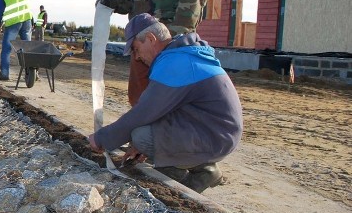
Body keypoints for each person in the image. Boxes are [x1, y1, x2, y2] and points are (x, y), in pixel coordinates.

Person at [87, 14, 242, 193]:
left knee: (142, 136)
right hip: (212, 131)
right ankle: (204, 168)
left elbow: (143, 113)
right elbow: (160, 111)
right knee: (146, 136)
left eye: (136, 49)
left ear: (151, 39)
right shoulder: (182, 55)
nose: (136, 57)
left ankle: (188, 181)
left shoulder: (176, 63)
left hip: (215, 137)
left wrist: (101, 138)